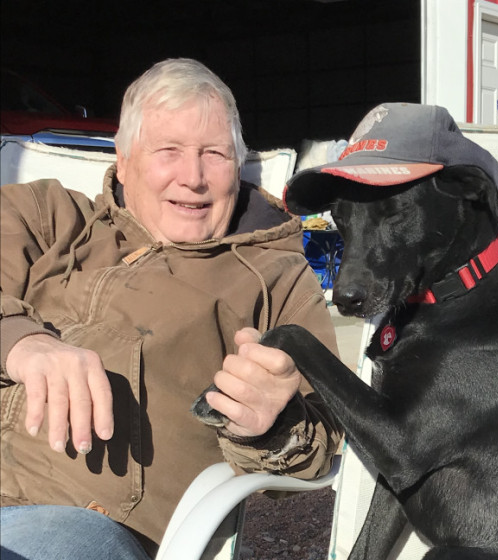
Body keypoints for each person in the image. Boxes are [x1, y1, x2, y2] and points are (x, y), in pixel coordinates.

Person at [0, 58, 342, 559]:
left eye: (214, 154)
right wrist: (21, 341)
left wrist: (268, 425)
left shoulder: (274, 277)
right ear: (123, 159)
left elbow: (321, 439)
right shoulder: (48, 215)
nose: (194, 178)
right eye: (169, 151)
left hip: (73, 524)